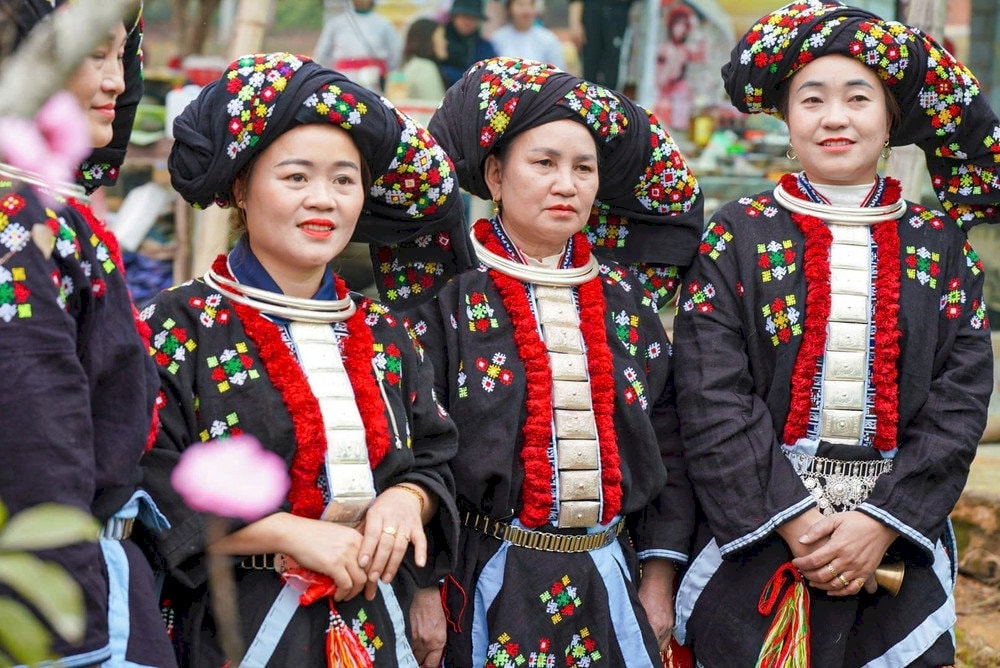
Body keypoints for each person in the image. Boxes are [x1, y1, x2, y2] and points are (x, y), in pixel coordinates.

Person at [671, 2, 998, 666]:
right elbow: (711, 391)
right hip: (759, 541)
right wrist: (794, 521)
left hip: (894, 548)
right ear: (786, 119)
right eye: (811, 99)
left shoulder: (941, 247)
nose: (835, 117)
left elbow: (960, 402)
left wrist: (880, 524)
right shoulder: (738, 233)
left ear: (890, 121)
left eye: (858, 97)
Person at [139, 52, 473, 667]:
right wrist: (288, 531)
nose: (324, 199)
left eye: (344, 180)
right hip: (232, 623)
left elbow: (433, 456)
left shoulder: (387, 335)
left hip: (375, 620)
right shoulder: (177, 326)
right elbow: (154, 483)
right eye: (296, 177)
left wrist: (408, 500)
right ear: (241, 187)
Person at [413, 57, 704, 666]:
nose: (566, 185)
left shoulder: (629, 304)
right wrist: (423, 590)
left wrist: (657, 575)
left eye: (583, 169)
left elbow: (669, 441)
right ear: (495, 174)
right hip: (485, 576)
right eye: (543, 163)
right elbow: (419, 455)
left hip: (610, 580)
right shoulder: (448, 305)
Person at [0, 1, 178, 667]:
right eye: (92, 56)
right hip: (61, 604)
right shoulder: (16, 228)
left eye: (119, 58)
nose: (117, 82)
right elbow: (34, 433)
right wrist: (69, 632)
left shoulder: (42, 213)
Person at [313, 0, 401, 93]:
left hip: (374, 79)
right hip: (343, 78)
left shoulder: (384, 24)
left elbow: (395, 54)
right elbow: (321, 54)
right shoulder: (336, 24)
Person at [567, 0, 634, 90]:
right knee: (588, 72)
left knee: (613, 72)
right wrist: (574, 22)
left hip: (618, 16)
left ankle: (613, 102)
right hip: (590, 15)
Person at [489, 0, 566, 70]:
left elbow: (558, 71)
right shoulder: (498, 38)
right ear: (509, 8)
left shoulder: (548, 38)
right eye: (520, 5)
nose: (526, 10)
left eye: (531, 4)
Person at [440, 0, 496, 88]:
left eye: (473, 18)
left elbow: (490, 76)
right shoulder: (441, 42)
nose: (468, 22)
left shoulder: (485, 47)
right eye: (464, 16)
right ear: (454, 17)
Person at [394, 17, 448, 103]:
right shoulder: (425, 67)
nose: (445, 42)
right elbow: (435, 108)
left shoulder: (409, 65)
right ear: (428, 39)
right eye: (442, 36)